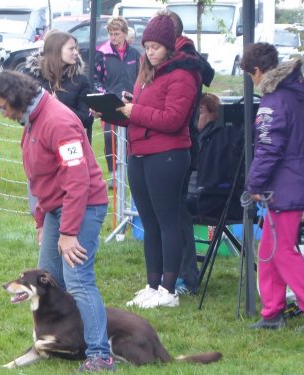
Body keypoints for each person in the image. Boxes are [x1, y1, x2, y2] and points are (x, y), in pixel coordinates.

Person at [0, 70, 115, 372]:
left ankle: (100, 354)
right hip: (56, 208)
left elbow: (77, 180)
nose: (2, 113)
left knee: (79, 281)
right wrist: (42, 221)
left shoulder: (58, 121)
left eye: (3, 106)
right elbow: (40, 178)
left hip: (83, 206)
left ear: (17, 99)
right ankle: (53, 339)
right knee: (48, 278)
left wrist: (68, 233)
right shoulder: (31, 121)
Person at [113, 15, 202, 308]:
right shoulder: (147, 72)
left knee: (167, 222)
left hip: (168, 155)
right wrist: (117, 113)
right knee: (149, 222)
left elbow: (174, 119)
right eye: (147, 46)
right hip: (139, 153)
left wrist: (133, 111)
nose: (150, 52)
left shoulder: (184, 74)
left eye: (156, 47)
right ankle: (152, 284)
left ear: (168, 46)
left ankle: (169, 289)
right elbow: (143, 112)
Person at [239, 43, 304, 331]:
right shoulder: (295, 94)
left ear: (257, 71)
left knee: (282, 251)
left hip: (285, 184)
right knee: (269, 248)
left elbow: (267, 147)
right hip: (293, 179)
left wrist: (254, 183)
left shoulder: (273, 101)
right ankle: (272, 311)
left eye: (250, 75)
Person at [166, 9, 215, 296]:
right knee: (173, 212)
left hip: (180, 144)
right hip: (176, 144)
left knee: (177, 212)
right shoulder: (181, 57)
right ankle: (178, 272)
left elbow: (205, 75)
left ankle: (186, 275)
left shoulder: (186, 60)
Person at [21, 30, 94, 215]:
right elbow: (23, 117)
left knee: (70, 200)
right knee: (41, 204)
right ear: (56, 51)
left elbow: (86, 118)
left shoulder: (80, 81)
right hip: (40, 150)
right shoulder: (34, 79)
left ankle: (68, 234)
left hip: (70, 149)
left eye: (76, 48)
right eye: (71, 48)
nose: (76, 52)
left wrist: (56, 108)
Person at [94, 17, 140, 189]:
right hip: (110, 102)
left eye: (117, 34)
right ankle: (113, 175)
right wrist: (106, 96)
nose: (113, 37)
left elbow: (140, 79)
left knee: (131, 137)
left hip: (130, 102)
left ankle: (129, 173)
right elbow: (95, 80)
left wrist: (135, 96)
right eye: (111, 34)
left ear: (125, 34)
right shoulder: (102, 53)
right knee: (109, 137)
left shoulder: (135, 54)